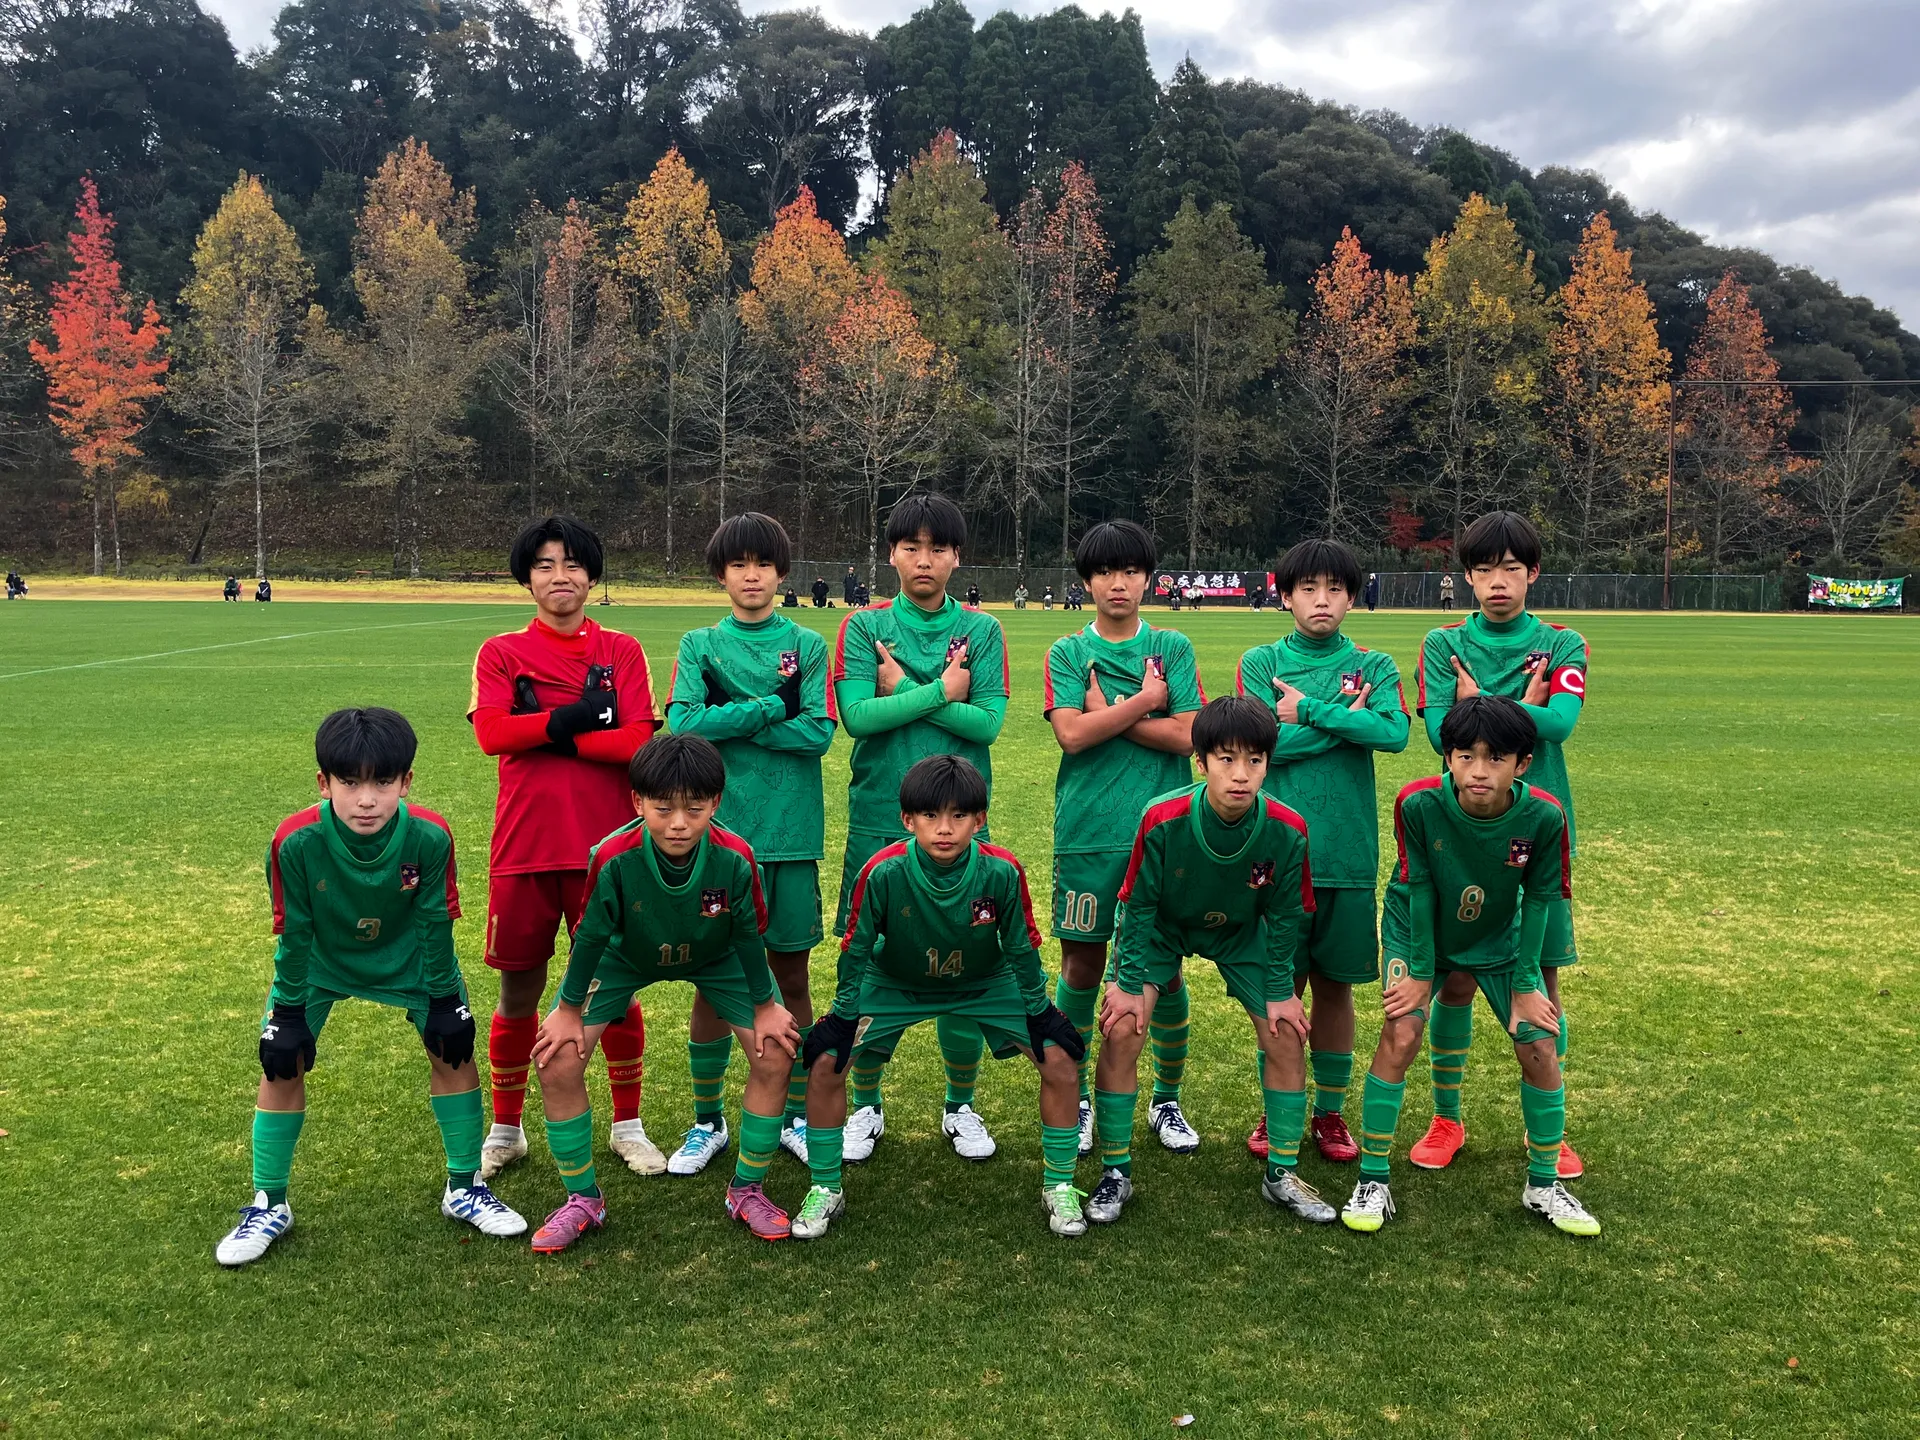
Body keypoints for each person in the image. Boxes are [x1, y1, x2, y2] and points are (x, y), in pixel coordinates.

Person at [214, 707, 526, 1267]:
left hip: (410, 960)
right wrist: (287, 1013)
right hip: (320, 964)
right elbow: (294, 932)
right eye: (350, 783)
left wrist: (444, 1000)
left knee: (454, 1051)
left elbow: (435, 922)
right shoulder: (294, 840)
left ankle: (464, 1186)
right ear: (324, 783)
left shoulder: (430, 835)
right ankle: (269, 1203)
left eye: (382, 782)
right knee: (280, 1062)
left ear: (406, 782)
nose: (366, 799)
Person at [794, 756, 1088, 1239]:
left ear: (980, 819)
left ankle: (1059, 1185)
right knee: (828, 1062)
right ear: (907, 820)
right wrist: (844, 1015)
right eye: (930, 815)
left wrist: (1039, 1011)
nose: (945, 828)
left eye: (959, 815)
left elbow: (1021, 945)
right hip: (897, 980)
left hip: (985, 980)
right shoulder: (882, 871)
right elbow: (857, 947)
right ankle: (825, 1187)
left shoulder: (1002, 870)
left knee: (1058, 1059)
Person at [525, 735, 801, 1250]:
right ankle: (582, 1198)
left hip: (717, 955)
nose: (679, 824)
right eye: (663, 809)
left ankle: (746, 1190)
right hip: (625, 956)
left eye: (694, 809)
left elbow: (747, 935)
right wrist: (567, 1009)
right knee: (556, 1060)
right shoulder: (612, 856)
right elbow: (590, 938)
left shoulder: (737, 858)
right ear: (637, 802)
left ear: (715, 803)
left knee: (775, 1052)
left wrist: (766, 1006)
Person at [1339, 696, 1599, 1238]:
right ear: (1448, 757)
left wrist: (1526, 984)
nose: (1479, 771)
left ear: (1522, 763)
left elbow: (1541, 899)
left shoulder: (1545, 816)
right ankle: (1373, 1178)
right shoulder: (1417, 802)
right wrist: (1420, 971)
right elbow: (1419, 885)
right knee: (1401, 1033)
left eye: (1496, 758)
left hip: (1499, 934)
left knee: (1539, 1043)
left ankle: (1543, 1184)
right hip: (1417, 929)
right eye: (1466, 756)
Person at [1089, 696, 1331, 1226]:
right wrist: (1125, 983)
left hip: (1241, 931)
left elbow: (1285, 916)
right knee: (1123, 1028)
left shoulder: (1288, 828)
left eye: (1254, 760)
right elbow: (1137, 905)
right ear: (1200, 762)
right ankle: (1115, 1172)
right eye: (1226, 759)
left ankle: (1282, 1174)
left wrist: (1282, 991)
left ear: (1268, 763)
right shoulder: (1162, 817)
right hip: (1162, 927)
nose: (1240, 774)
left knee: (1285, 1032)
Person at [468, 516, 661, 1183]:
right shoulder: (500, 652)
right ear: (526, 577)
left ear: (592, 575)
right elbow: (493, 735)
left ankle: (629, 1126)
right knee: (517, 991)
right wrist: (578, 718)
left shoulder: (621, 650)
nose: (560, 576)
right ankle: (506, 1130)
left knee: (614, 990)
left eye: (573, 563)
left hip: (606, 854)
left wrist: (546, 728)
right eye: (545, 564)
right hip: (523, 849)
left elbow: (637, 741)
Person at [829, 492, 1011, 1163]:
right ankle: (865, 1104)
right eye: (912, 547)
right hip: (880, 818)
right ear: (892, 555)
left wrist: (900, 689)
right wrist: (938, 691)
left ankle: (960, 1105)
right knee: (871, 961)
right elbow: (858, 718)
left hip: (961, 827)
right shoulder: (862, 626)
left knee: (966, 959)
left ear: (957, 556)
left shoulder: (982, 630)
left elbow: (986, 724)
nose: (924, 560)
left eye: (938, 548)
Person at [1413, 511, 1588, 1178]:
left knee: (1540, 978)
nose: (1496, 582)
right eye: (1484, 569)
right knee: (1456, 978)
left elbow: (1561, 724)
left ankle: (1549, 1131)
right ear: (1467, 576)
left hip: (1538, 832)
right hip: (1459, 835)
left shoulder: (1563, 643)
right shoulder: (1442, 642)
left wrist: (1479, 701)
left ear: (1532, 572)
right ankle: (1446, 1118)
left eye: (1511, 568)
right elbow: (1440, 734)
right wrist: (1518, 705)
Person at [666, 514, 834, 1175]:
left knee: (791, 976)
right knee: (715, 981)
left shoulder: (807, 644)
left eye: (763, 563)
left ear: (782, 572)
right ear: (721, 575)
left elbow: (817, 733)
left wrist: (729, 716)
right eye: (738, 564)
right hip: (718, 840)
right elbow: (683, 725)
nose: (752, 575)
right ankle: (707, 1120)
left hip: (791, 836)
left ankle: (795, 1114)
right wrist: (769, 706)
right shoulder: (700, 644)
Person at [1237, 539, 1409, 1167]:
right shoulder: (1261, 661)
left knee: (1337, 989)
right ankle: (1279, 1105)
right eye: (1307, 588)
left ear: (1352, 598)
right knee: (1279, 987)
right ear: (1284, 595)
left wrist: (1309, 710)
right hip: (1277, 859)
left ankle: (1330, 1111)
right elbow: (1262, 746)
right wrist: (1342, 722)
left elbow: (1394, 732)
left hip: (1347, 855)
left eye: (1335, 589)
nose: (1321, 600)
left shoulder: (1374, 664)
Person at [1044, 521, 1206, 1156]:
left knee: (1163, 972)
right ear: (1086, 581)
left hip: (1164, 835)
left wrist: (1107, 712)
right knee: (1082, 966)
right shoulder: (1067, 651)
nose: (1119, 582)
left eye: (1131, 571)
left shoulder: (1172, 646)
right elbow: (1071, 736)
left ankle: (1167, 1099)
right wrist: (1145, 703)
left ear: (1148, 579)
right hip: (1087, 831)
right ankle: (1081, 1099)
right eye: (1105, 571)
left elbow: (1189, 737)